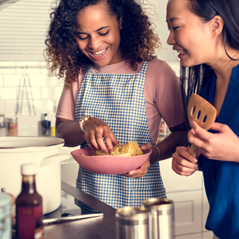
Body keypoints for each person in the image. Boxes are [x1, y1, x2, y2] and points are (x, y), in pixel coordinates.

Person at [45, 0, 186, 214]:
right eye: (83, 36)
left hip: (141, 204)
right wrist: (85, 124)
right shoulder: (78, 74)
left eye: (103, 32)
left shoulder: (156, 72)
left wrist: (153, 155)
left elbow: (183, 133)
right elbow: (62, 134)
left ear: (120, 21)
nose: (94, 44)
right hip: (90, 202)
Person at [166, 0, 239, 238]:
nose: (170, 40)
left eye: (176, 27)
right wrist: (193, 158)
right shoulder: (208, 85)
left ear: (215, 25)